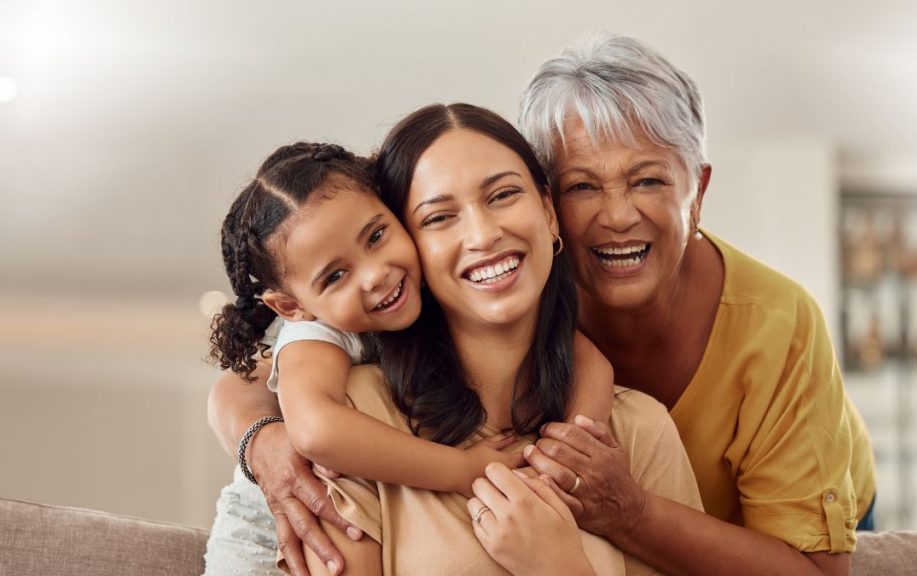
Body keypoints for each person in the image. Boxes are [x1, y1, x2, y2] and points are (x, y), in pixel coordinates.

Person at [512, 34, 877, 575]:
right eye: (582, 187)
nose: (616, 216)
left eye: (648, 179)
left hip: (814, 514)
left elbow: (817, 571)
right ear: (546, 205)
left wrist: (629, 512)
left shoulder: (780, 322)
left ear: (698, 191)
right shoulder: (516, 303)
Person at [297, 101, 700, 575]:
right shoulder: (359, 416)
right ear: (409, 251)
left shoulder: (640, 431)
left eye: (503, 195)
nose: (484, 234)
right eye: (439, 217)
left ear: (549, 214)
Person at [202, 141, 613, 575]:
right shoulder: (313, 334)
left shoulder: (426, 291)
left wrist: (565, 462)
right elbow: (316, 431)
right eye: (336, 275)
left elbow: (585, 358)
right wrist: (462, 469)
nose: (375, 273)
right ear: (291, 307)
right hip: (265, 538)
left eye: (377, 236)